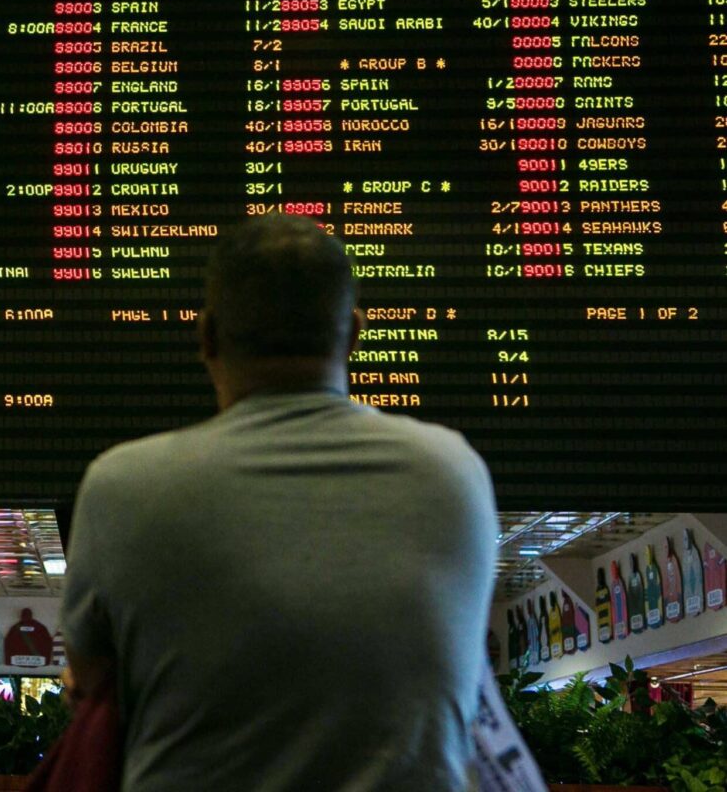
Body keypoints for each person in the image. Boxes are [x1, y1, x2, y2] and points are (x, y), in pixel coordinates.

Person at [61, 214, 498, 792]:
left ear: (207, 336)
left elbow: (91, 678)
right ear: (355, 335)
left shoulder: (121, 484)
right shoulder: (454, 471)